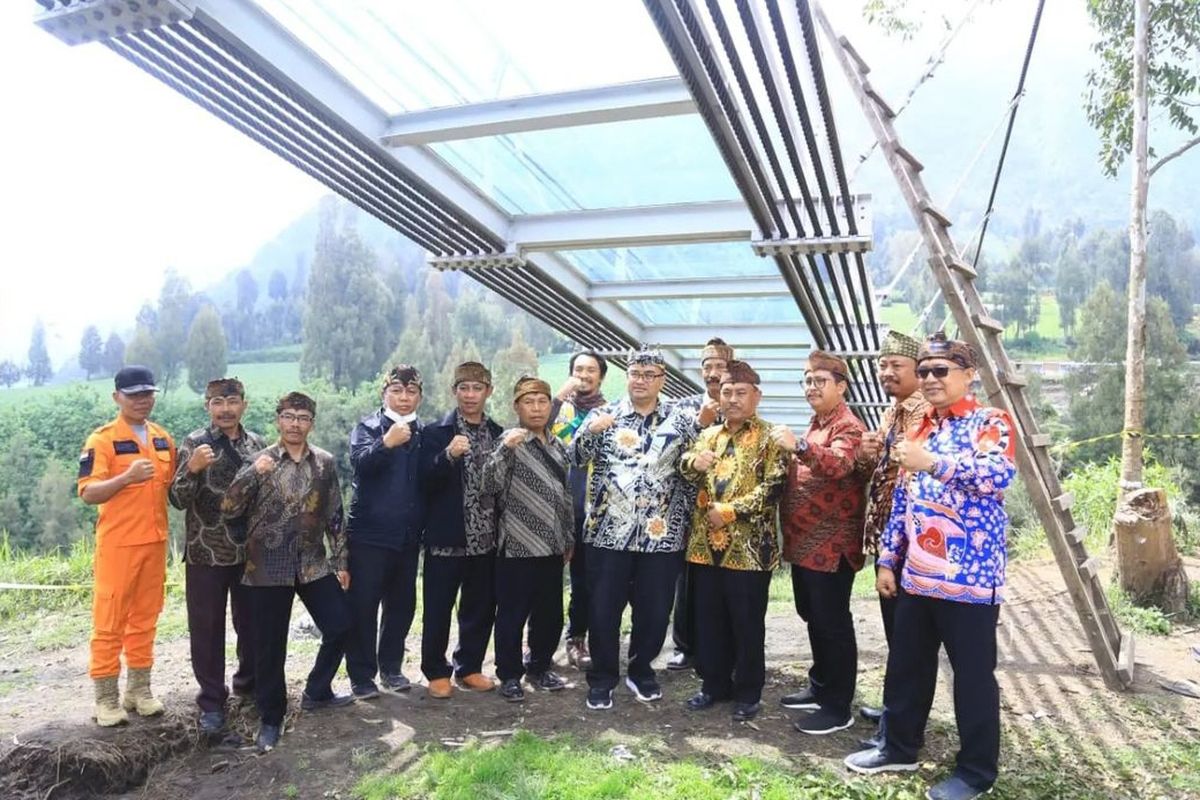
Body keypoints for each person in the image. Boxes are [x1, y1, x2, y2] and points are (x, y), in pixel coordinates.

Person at [845, 332, 1015, 800]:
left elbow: (998, 475)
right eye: (923, 371)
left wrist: (933, 463)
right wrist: (888, 560)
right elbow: (903, 499)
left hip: (970, 580)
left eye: (941, 370)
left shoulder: (990, 421)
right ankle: (899, 746)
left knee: (974, 678)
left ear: (968, 374)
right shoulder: (919, 429)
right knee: (906, 666)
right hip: (917, 574)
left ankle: (976, 772)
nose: (930, 379)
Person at [222, 392, 354, 752]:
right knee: (269, 646)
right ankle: (270, 717)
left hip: (311, 562)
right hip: (266, 564)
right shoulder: (258, 460)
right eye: (289, 417)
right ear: (278, 419)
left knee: (341, 624)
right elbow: (229, 507)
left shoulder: (324, 463)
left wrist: (341, 561)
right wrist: (252, 473)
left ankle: (317, 690)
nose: (296, 424)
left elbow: (336, 516)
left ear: (311, 423)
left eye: (303, 418)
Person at [571, 347, 690, 711]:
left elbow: (692, 472)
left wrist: (685, 521)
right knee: (604, 609)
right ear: (627, 376)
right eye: (635, 373)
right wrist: (589, 431)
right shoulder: (603, 415)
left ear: (662, 379)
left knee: (654, 610)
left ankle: (641, 671)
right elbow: (574, 457)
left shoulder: (680, 419)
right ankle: (603, 678)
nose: (641, 380)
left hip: (662, 534)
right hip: (609, 533)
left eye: (649, 374)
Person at [679, 361, 787, 721]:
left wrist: (730, 510)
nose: (733, 399)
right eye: (727, 392)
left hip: (750, 547)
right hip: (704, 547)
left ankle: (748, 691)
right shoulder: (708, 434)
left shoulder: (771, 436)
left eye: (741, 393)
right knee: (708, 620)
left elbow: (774, 487)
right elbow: (682, 466)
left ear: (757, 396)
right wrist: (693, 462)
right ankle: (713, 685)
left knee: (746, 620)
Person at [771, 351, 868, 735]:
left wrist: (799, 447)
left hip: (832, 548)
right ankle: (820, 685)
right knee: (814, 618)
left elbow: (839, 465)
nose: (811, 387)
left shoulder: (847, 426)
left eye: (819, 381)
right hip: (806, 546)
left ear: (841, 386)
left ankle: (837, 706)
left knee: (832, 624)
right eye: (807, 380)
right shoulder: (818, 423)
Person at [78, 365, 176, 727]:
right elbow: (88, 492)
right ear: (117, 397)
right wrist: (126, 477)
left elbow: (174, 488)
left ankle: (139, 690)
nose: (142, 400)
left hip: (154, 543)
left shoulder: (163, 439)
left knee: (146, 618)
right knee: (109, 622)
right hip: (119, 546)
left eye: (147, 393)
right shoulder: (101, 441)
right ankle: (105, 698)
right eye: (134, 395)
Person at [169, 377, 266, 735]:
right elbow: (177, 499)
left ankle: (248, 686)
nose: (225, 409)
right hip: (205, 553)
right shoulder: (195, 443)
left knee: (252, 624)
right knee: (207, 630)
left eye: (232, 401)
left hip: (248, 552)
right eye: (217, 402)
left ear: (244, 403)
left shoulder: (257, 443)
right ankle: (211, 701)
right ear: (207, 406)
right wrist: (192, 468)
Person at [853, 331, 928, 746]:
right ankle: (896, 711)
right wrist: (869, 453)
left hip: (912, 544)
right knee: (895, 634)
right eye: (883, 365)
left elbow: (911, 475)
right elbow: (881, 469)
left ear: (917, 370)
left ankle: (902, 725)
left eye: (895, 366)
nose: (886, 372)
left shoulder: (923, 415)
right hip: (888, 540)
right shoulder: (892, 411)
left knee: (909, 638)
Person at [484, 376, 574, 702]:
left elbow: (564, 496)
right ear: (516, 407)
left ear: (550, 406)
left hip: (552, 545)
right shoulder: (510, 441)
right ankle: (509, 675)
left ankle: (540, 666)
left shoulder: (558, 445)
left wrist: (569, 537)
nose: (536, 408)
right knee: (511, 614)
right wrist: (504, 451)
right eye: (529, 402)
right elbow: (488, 485)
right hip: (517, 545)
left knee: (550, 613)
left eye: (542, 402)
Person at [419, 362, 504, 699]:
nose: (470, 395)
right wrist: (447, 456)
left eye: (477, 388)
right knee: (438, 609)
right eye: (464, 388)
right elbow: (423, 481)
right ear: (454, 391)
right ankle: (436, 672)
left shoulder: (498, 434)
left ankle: (469, 667)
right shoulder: (435, 433)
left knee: (480, 608)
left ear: (488, 392)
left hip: (486, 540)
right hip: (446, 538)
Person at [344, 365, 426, 699]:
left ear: (419, 395)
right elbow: (360, 464)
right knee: (363, 605)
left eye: (410, 392)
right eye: (397, 391)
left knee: (402, 605)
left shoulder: (426, 432)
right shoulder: (367, 427)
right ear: (384, 393)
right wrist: (386, 443)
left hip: (408, 535)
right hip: (369, 534)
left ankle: (391, 667)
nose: (404, 398)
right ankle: (361, 675)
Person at [667, 337, 734, 672]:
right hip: (688, 505)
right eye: (707, 367)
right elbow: (672, 453)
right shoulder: (684, 407)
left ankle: (718, 643)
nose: (712, 373)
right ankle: (684, 645)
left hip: (728, 509)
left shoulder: (740, 404)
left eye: (719, 367)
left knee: (722, 578)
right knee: (687, 578)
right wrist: (701, 422)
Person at [548, 350, 609, 671]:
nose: (583, 375)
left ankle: (576, 637)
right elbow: (536, 429)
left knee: (584, 581)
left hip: (591, 512)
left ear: (601, 377)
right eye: (578, 369)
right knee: (543, 579)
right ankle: (539, 641)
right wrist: (559, 396)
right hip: (551, 510)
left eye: (590, 371)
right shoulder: (557, 408)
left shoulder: (609, 413)